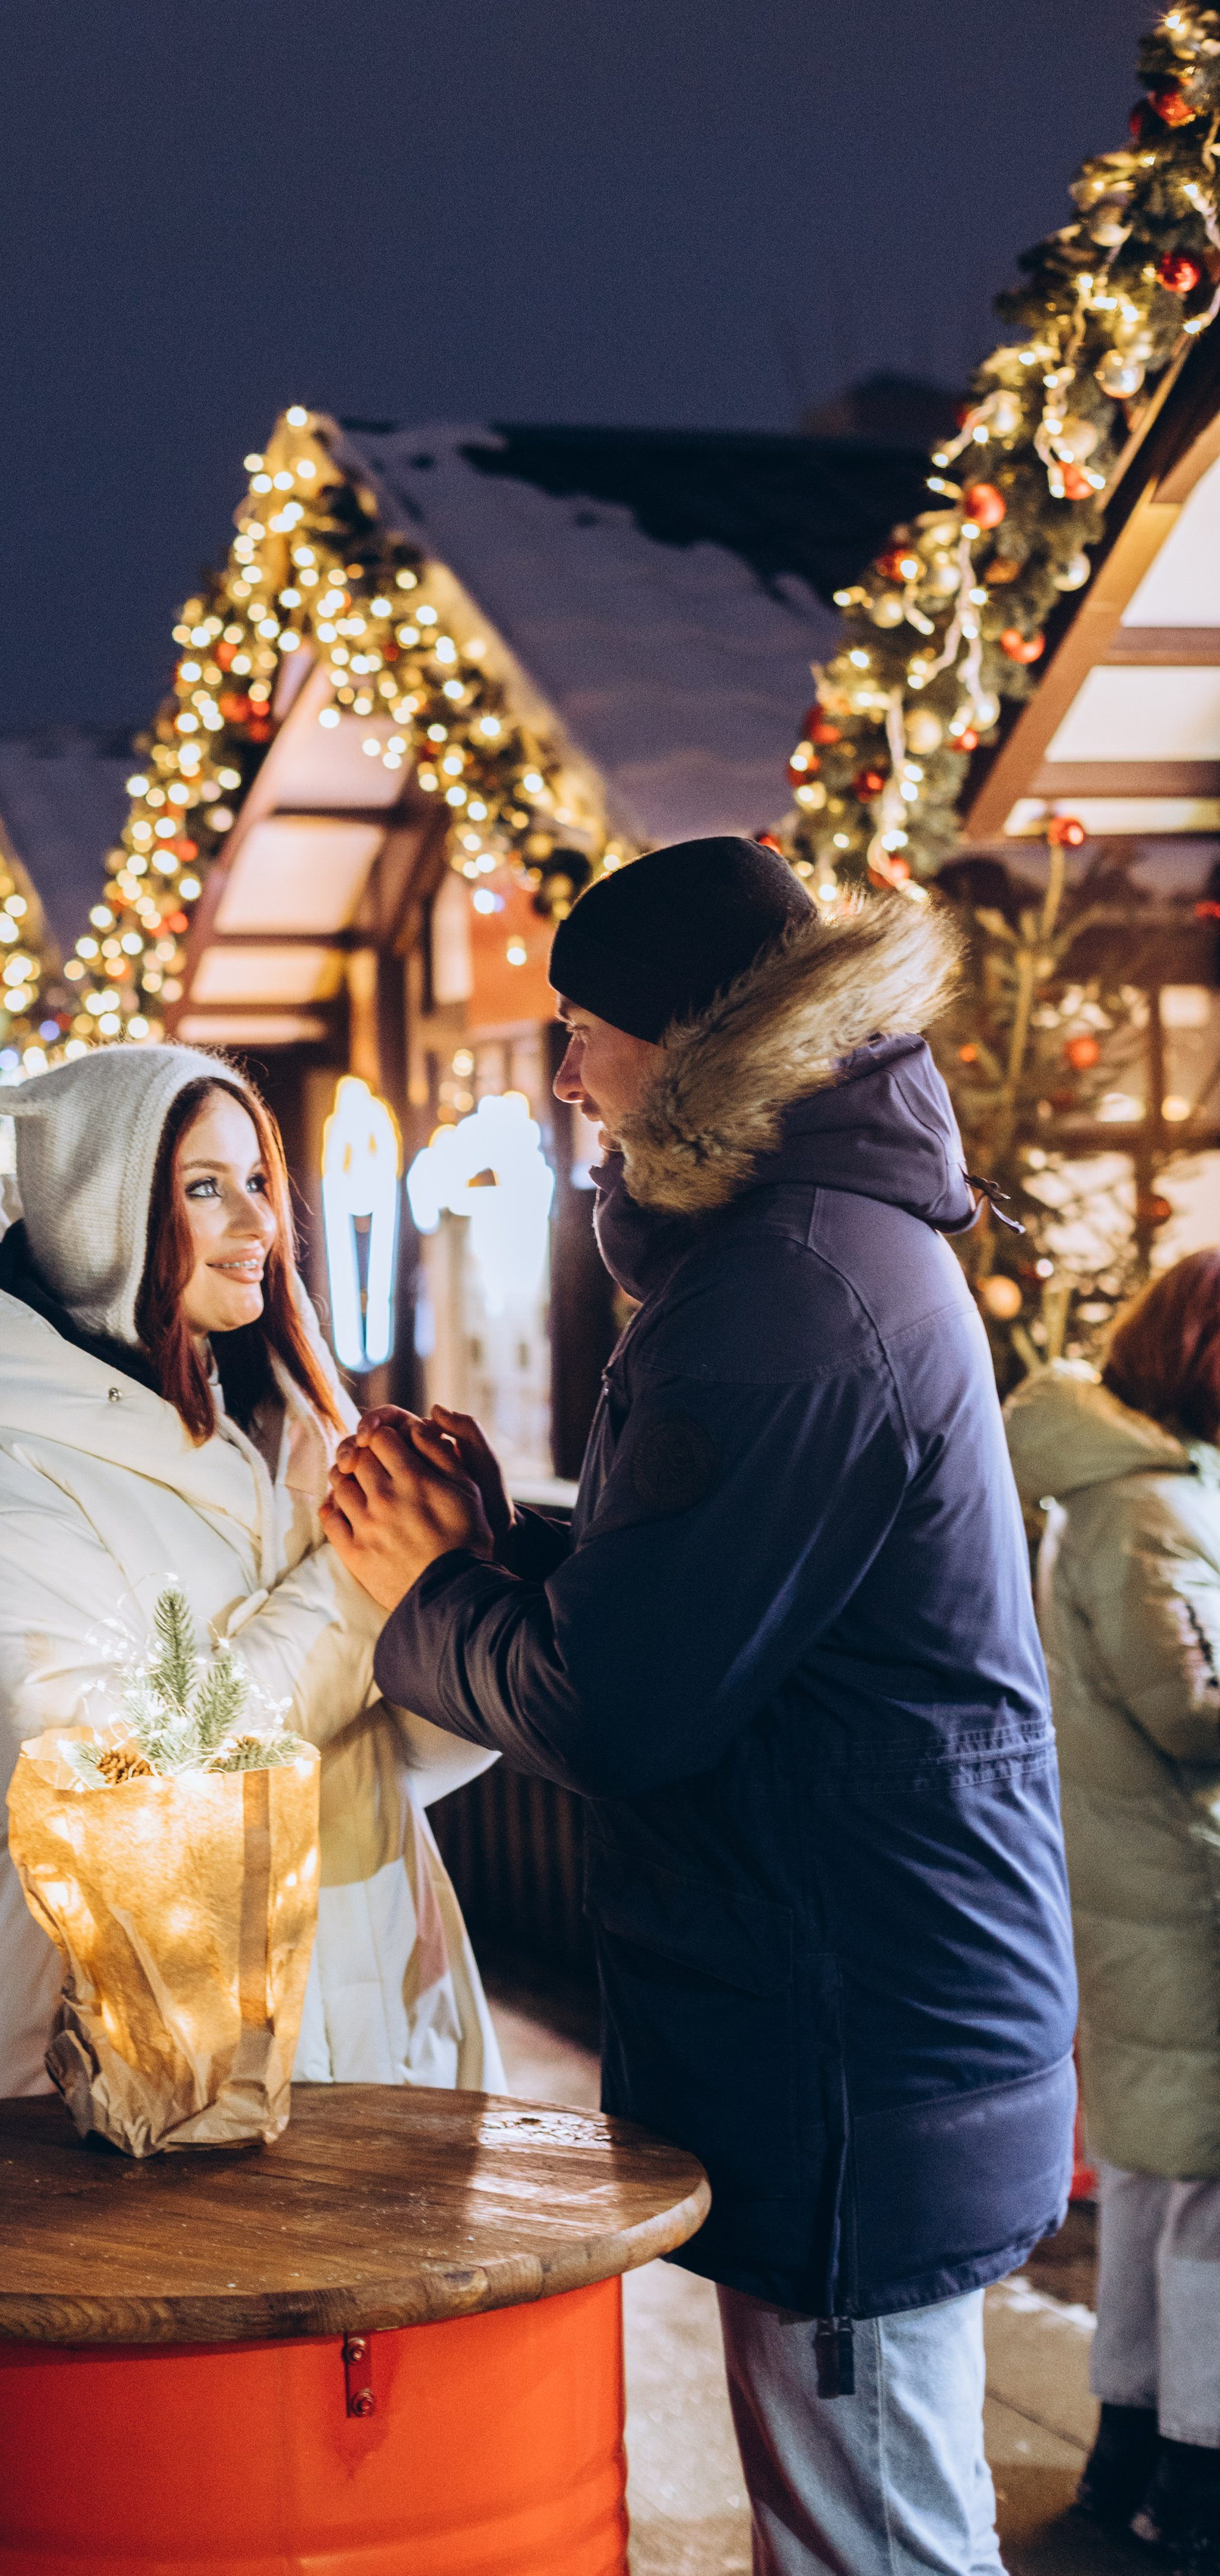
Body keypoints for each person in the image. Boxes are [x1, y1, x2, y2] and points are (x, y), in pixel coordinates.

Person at [323, 837, 1077, 2576]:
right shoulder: (817, 1250)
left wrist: (416, 1593)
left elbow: (620, 1701)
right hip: (879, 1992)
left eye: (582, 1027)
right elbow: (730, 1585)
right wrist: (499, 1538)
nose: (566, 1072)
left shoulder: (783, 1286)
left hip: (848, 2026)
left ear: (688, 1037)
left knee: (867, 2539)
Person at [0, 1039, 499, 2109]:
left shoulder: (287, 1433)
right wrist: (357, 1584)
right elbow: (134, 1800)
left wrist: (454, 1582)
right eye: (206, 1189)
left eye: (259, 1181)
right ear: (102, 1215)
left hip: (364, 2037)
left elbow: (387, 1760)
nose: (260, 1226)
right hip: (100, 2111)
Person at [1005, 1263, 1220, 2575]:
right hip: (1178, 1897)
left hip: (1131, 1886)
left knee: (1154, 2191)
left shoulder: (1110, 1493)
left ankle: (1131, 2459)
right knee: (1201, 2200)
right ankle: (1196, 2484)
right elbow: (1188, 1710)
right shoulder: (1146, 1507)